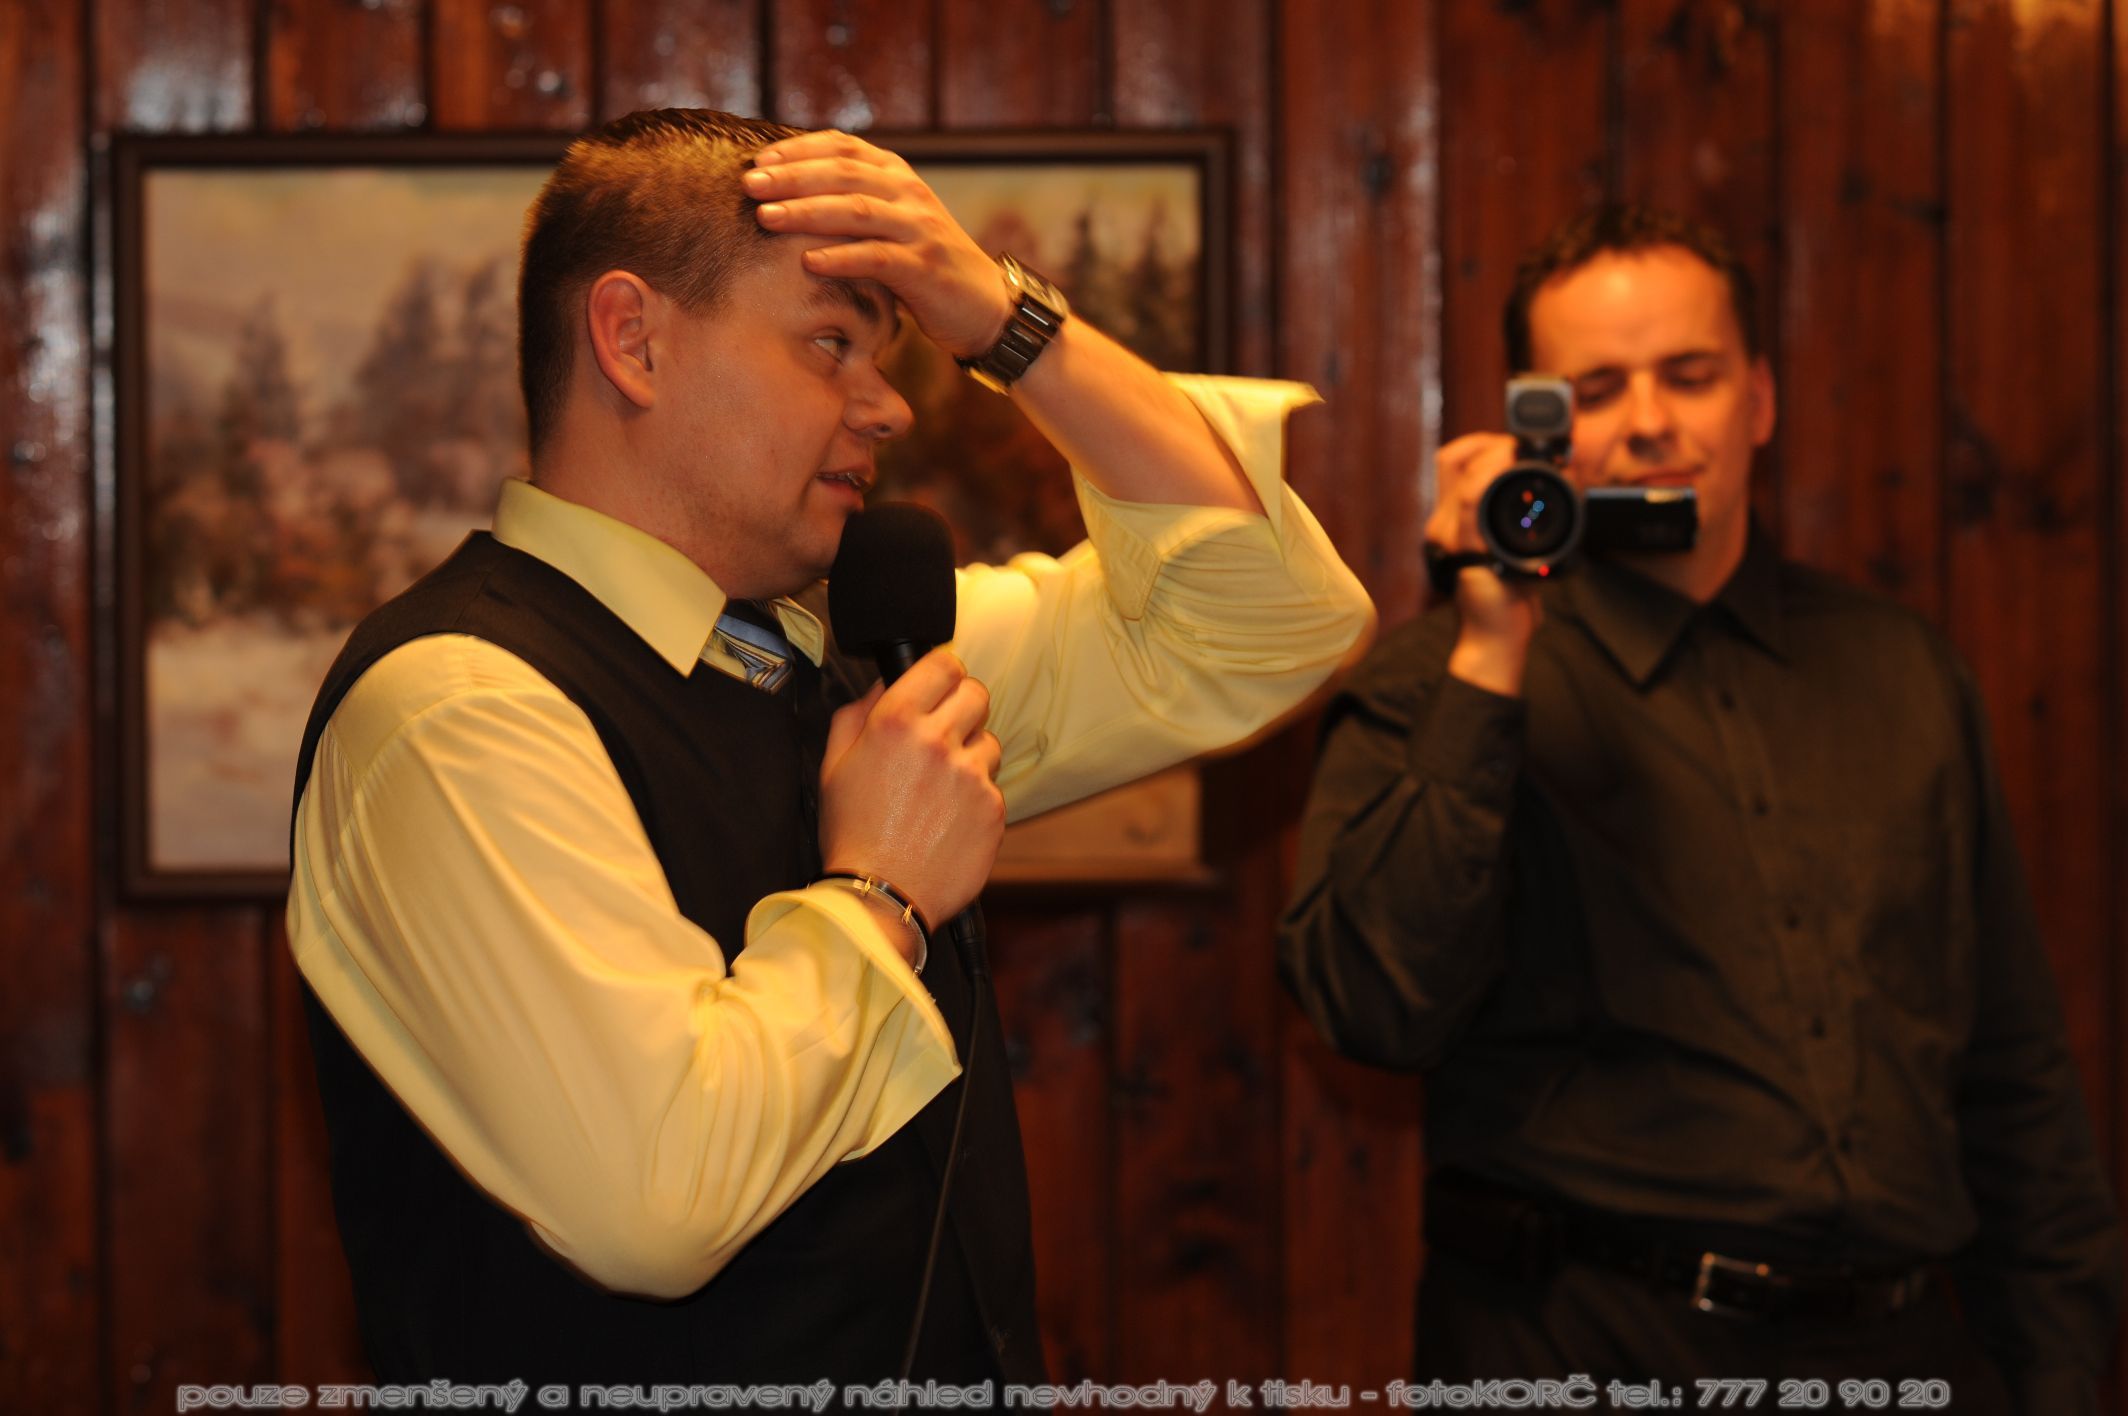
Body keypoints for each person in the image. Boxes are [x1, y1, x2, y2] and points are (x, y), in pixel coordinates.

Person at [287, 108, 1373, 1399]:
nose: (889, 407)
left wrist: (1008, 325)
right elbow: (656, 1202)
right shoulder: (457, 706)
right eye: (829, 346)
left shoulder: (852, 653)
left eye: (891, 354)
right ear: (634, 341)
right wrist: (880, 894)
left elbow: (1272, 626)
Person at [1277, 205, 2119, 1413]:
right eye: (1597, 389)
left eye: (1689, 375)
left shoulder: (1903, 674)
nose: (1650, 422)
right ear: (1535, 423)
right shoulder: (1439, 684)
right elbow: (1373, 1004)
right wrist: (1492, 649)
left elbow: (2013, 1068)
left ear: (1758, 400)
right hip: (1578, 1349)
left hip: (1900, 1354)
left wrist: (2059, 1375)